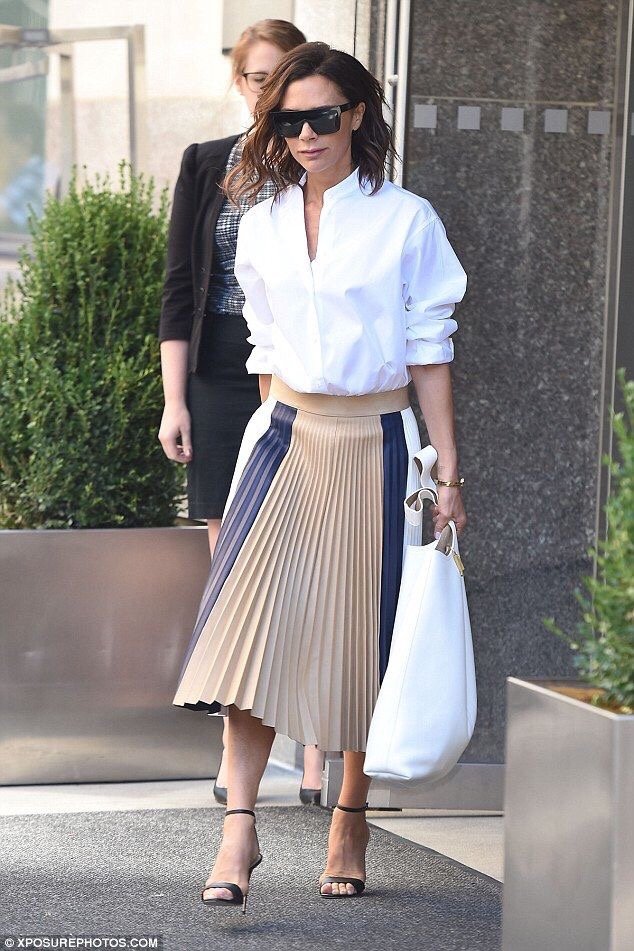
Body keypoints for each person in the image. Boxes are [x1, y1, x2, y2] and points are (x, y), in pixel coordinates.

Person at [172, 41, 468, 912]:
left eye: (324, 116)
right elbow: (262, 341)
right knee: (245, 632)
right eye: (290, 118)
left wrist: (449, 474)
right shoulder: (257, 216)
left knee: (360, 641)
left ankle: (349, 818)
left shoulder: (407, 220)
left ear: (358, 116)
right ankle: (239, 827)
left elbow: (430, 353)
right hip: (282, 436)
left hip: (378, 438)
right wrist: (273, 429)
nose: (306, 133)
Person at [157, 19, 325, 806]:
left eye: (280, 77)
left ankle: (319, 744)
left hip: (300, 374)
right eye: (255, 78)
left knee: (314, 559)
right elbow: (179, 286)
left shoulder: (314, 157)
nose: (267, 92)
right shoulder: (205, 163)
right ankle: (237, 751)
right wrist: (173, 400)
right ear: (239, 83)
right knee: (232, 570)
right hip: (221, 375)